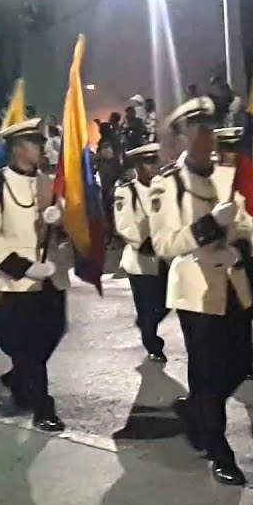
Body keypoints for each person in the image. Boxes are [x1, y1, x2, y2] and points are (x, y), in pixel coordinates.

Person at [150, 98, 253, 485]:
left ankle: (197, 410)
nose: (205, 137)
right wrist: (208, 226)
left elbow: (245, 227)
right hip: (195, 290)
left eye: (209, 129)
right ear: (180, 138)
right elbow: (164, 244)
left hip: (232, 284)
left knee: (241, 363)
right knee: (208, 372)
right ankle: (218, 450)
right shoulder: (166, 184)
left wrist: (243, 238)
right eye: (196, 130)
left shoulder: (226, 176)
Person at [0, 119, 68, 433]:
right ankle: (43, 407)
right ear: (16, 148)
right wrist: (23, 267)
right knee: (24, 344)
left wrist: (60, 218)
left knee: (53, 331)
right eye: (34, 143)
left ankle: (18, 377)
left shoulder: (47, 183)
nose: (41, 148)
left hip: (50, 277)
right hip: (13, 282)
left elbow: (65, 229)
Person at [212, 127, 253, 381]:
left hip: (250, 250)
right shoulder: (211, 179)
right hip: (222, 255)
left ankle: (240, 359)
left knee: (251, 305)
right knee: (232, 311)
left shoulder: (250, 173)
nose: (232, 154)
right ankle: (240, 363)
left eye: (236, 148)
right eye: (228, 149)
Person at [113, 142, 169, 362]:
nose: (153, 166)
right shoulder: (126, 191)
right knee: (147, 307)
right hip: (140, 259)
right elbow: (124, 224)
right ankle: (153, 345)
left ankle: (146, 323)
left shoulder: (166, 188)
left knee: (166, 303)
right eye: (148, 162)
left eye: (155, 160)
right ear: (137, 165)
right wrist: (141, 242)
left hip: (165, 256)